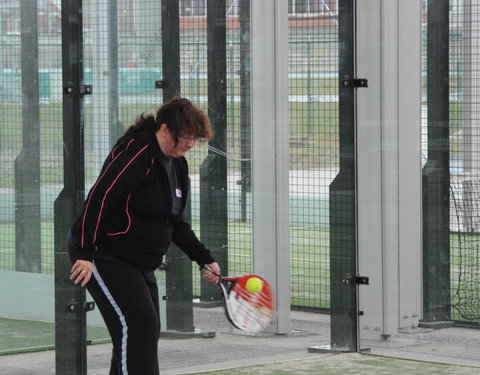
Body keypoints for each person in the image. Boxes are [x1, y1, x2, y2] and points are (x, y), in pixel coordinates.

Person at [68, 96, 220, 375]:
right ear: (164, 129)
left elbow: (174, 220)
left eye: (194, 139)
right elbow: (98, 199)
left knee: (144, 331)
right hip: (103, 253)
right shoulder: (136, 153)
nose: (189, 144)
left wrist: (203, 257)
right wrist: (85, 253)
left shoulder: (177, 164)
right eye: (184, 137)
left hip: (138, 259)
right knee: (138, 325)